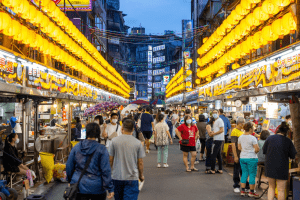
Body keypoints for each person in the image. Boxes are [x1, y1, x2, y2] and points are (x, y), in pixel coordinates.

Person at [66, 123, 114, 200]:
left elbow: (69, 166)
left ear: (86, 132)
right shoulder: (102, 149)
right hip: (97, 188)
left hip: (78, 185)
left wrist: (70, 180)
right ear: (98, 134)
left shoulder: (76, 147)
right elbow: (106, 170)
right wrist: (110, 188)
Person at [109, 118, 145, 200]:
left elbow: (110, 160)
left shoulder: (114, 141)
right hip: (132, 177)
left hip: (116, 177)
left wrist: (108, 175)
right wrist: (141, 175)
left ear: (122, 128)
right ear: (133, 129)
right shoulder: (138, 143)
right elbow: (140, 162)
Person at [263, 122, 296, 200]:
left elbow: (264, 151)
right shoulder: (288, 141)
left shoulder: (269, 138)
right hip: (282, 167)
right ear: (286, 133)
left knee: (271, 187)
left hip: (269, 166)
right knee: (281, 190)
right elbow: (293, 156)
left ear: (277, 130)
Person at [238, 122, 260, 197]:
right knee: (252, 175)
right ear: (250, 129)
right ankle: (251, 192)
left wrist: (245, 150)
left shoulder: (240, 137)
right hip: (252, 158)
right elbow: (256, 149)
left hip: (243, 157)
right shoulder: (253, 138)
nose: (254, 129)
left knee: (244, 174)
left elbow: (239, 148)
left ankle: (243, 191)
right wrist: (256, 150)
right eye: (253, 128)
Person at [231, 117, 249, 193]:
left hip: (244, 154)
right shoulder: (234, 131)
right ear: (240, 123)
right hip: (238, 154)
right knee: (237, 170)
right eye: (243, 123)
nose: (244, 124)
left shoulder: (243, 131)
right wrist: (235, 156)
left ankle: (245, 185)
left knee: (244, 170)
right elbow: (233, 144)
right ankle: (236, 185)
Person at [207, 110, 224, 174]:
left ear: (218, 113)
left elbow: (222, 130)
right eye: (213, 113)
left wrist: (214, 134)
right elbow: (217, 130)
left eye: (216, 113)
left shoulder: (220, 120)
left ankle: (212, 169)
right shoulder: (216, 121)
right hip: (217, 138)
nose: (214, 114)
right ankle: (220, 169)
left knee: (213, 154)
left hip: (218, 139)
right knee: (218, 154)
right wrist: (212, 132)